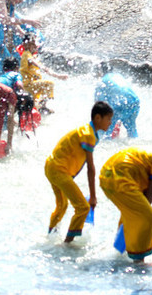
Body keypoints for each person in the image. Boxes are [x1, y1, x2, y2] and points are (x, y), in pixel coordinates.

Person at [99, 130, 152, 261]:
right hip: (120, 179)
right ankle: (139, 260)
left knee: (131, 214)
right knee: (149, 217)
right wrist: (144, 211)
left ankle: (119, 252)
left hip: (106, 176)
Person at [45, 101, 113, 242]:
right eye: (108, 119)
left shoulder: (88, 132)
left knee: (62, 205)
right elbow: (90, 168)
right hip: (59, 170)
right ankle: (68, 244)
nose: (110, 122)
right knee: (83, 207)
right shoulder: (88, 134)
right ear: (98, 118)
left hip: (51, 167)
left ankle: (50, 236)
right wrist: (93, 196)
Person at [20, 34, 66, 114]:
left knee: (33, 107)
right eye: (32, 43)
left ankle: (38, 108)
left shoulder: (31, 55)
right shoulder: (26, 54)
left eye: (35, 43)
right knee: (49, 84)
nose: (35, 45)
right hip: (29, 85)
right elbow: (40, 66)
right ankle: (43, 106)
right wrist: (58, 76)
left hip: (33, 84)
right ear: (25, 44)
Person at [94, 68, 140, 139]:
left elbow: (99, 106)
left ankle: (107, 148)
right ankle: (136, 145)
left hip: (118, 105)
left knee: (105, 134)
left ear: (100, 72)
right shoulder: (118, 76)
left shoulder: (101, 82)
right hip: (135, 102)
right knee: (131, 129)